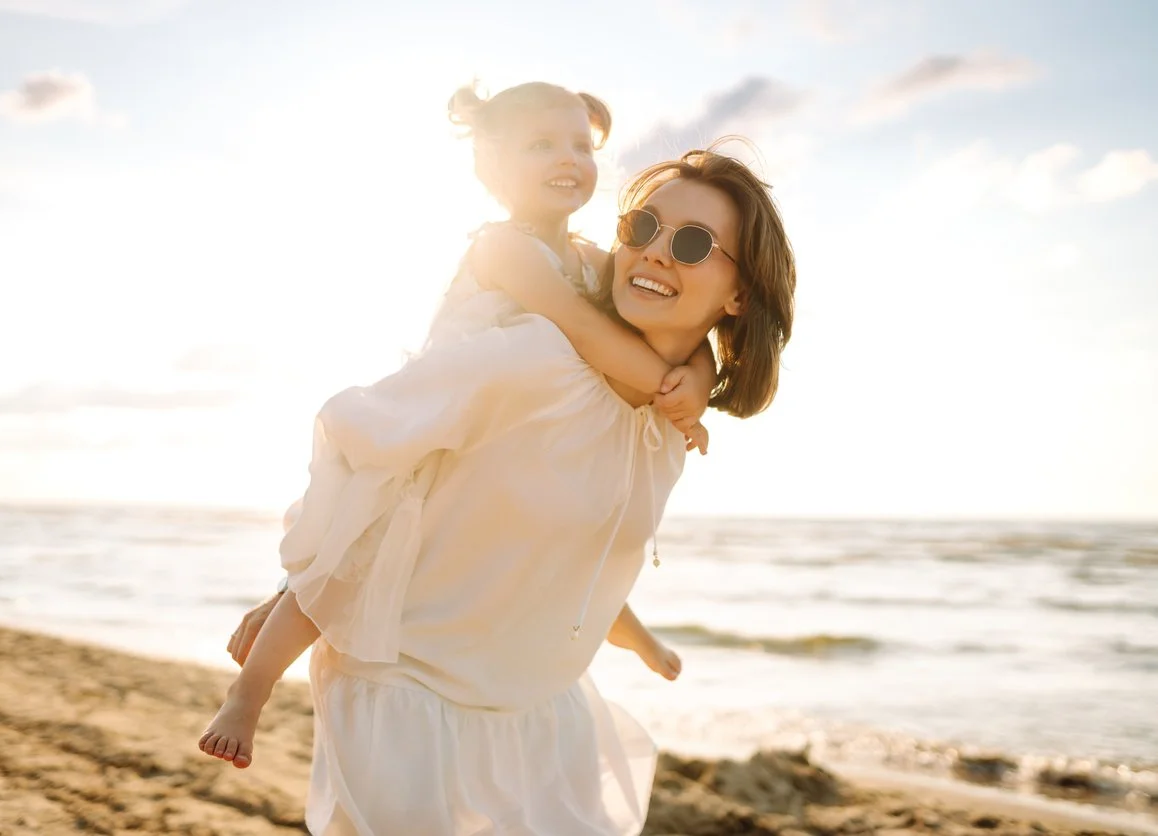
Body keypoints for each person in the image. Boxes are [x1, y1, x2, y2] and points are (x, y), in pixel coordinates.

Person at [206, 114, 796, 836]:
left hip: (538, 710)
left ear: (739, 295)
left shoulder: (671, 424)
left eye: (695, 242)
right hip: (407, 694)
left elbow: (555, 556)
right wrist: (292, 587)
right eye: (641, 225)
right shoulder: (531, 360)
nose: (655, 253)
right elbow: (366, 444)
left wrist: (641, 640)